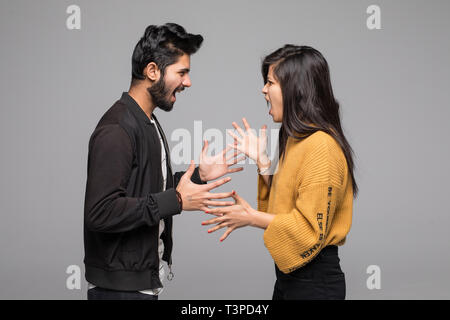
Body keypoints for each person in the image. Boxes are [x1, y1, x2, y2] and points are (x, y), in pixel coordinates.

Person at [84, 23, 242, 300]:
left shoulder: (148, 122)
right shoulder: (117, 129)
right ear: (153, 71)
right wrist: (177, 201)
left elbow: (148, 186)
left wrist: (198, 177)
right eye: (181, 72)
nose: (188, 82)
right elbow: (101, 211)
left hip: (142, 284)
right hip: (120, 292)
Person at [202, 45, 358, 300]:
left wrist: (250, 217)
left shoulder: (322, 147)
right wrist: (264, 162)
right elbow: (278, 214)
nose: (263, 89)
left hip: (315, 283)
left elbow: (308, 231)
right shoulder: (295, 140)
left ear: (296, 88)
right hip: (290, 279)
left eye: (270, 82)